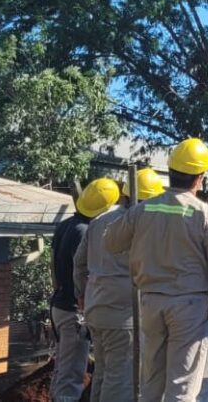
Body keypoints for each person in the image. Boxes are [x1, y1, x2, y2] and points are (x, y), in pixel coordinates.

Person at [104, 138, 208, 402]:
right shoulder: (204, 215)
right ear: (200, 177)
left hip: (150, 301)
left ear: (170, 172)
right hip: (188, 306)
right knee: (182, 387)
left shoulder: (143, 209)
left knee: (152, 383)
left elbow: (111, 242)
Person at [73, 168, 165, 402]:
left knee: (103, 372)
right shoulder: (145, 226)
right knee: (119, 379)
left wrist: (81, 293)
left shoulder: (99, 221)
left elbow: (79, 263)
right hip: (123, 316)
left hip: (96, 308)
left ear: (124, 195)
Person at [51, 177, 120, 402]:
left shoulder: (66, 226)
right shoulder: (86, 232)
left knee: (63, 367)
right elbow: (84, 272)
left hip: (60, 306)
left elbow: (53, 265)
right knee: (72, 375)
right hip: (74, 311)